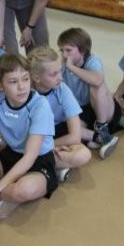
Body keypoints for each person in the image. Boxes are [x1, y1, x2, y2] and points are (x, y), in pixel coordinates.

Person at [0, 53, 57, 220]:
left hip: (38, 161)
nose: (22, 87)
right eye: (13, 81)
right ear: (0, 85)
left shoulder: (40, 105)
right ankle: (6, 190)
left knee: (24, 189)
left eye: (25, 79)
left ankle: (3, 191)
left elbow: (30, 157)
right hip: (10, 155)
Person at [28, 46, 91, 182]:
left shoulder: (62, 89)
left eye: (60, 71)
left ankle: (44, 164)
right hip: (32, 140)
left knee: (84, 154)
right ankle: (48, 165)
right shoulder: (24, 93)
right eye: (53, 74)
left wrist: (50, 145)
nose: (60, 78)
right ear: (36, 77)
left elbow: (75, 137)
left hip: (52, 137)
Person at [58, 27, 120, 159]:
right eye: (61, 50)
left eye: (68, 50)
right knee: (70, 129)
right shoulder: (64, 66)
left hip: (104, 110)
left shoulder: (92, 61)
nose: (64, 55)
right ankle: (100, 138)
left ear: (82, 50)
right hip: (84, 111)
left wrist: (72, 67)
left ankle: (102, 127)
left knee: (96, 85)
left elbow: (97, 80)